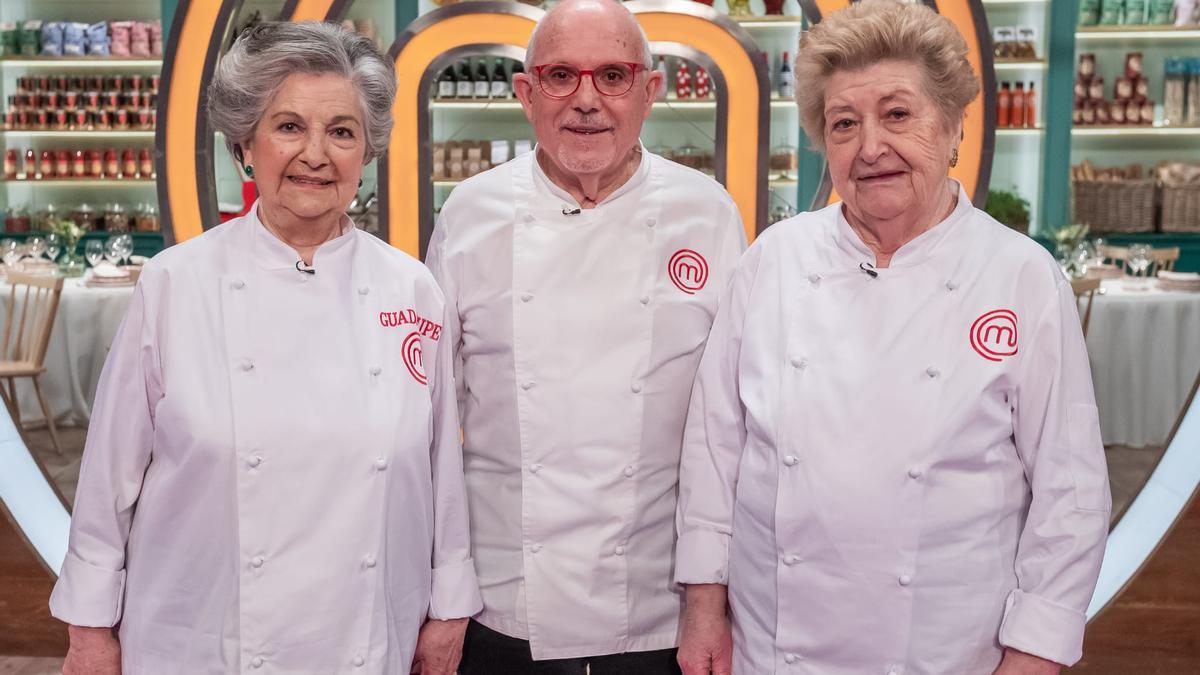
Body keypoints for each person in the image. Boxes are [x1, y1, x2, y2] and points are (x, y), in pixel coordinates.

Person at [674, 2, 1110, 674]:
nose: (870, 146)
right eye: (844, 124)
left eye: (898, 114)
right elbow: (714, 446)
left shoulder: (1021, 277)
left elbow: (1070, 492)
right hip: (774, 648)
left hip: (950, 652)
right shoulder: (773, 260)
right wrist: (703, 603)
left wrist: (1034, 656)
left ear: (954, 125)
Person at [49, 21, 481, 675]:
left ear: (366, 151)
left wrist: (449, 610)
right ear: (243, 145)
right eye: (289, 126)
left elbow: (439, 474)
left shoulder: (412, 289)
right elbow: (109, 479)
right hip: (201, 636)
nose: (317, 153)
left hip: (363, 637)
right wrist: (89, 631)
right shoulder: (177, 282)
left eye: (341, 131)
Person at [425, 0, 747, 671]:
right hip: (504, 604)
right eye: (561, 76)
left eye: (612, 75)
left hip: (659, 607)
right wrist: (442, 597)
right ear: (525, 92)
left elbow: (726, 429)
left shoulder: (708, 214)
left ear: (650, 91)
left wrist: (709, 600)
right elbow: (431, 422)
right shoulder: (471, 213)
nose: (586, 101)